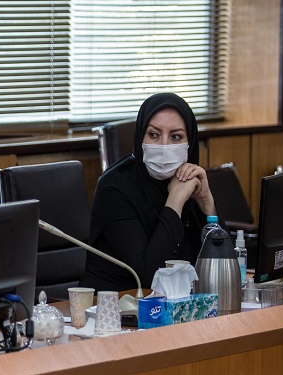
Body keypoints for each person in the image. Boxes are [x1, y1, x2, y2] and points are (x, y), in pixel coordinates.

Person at [80, 92, 218, 293]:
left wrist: (207, 203)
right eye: (154, 135)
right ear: (140, 138)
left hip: (177, 303)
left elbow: (224, 268)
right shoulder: (114, 188)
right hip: (117, 304)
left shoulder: (191, 182)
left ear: (190, 143)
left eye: (175, 137)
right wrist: (175, 201)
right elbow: (148, 275)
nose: (164, 146)